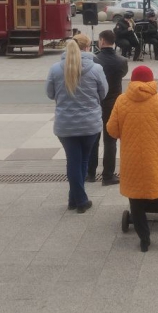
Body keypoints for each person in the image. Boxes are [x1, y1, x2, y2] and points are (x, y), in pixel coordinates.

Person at [107, 66, 158, 251]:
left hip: (132, 158)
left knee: (135, 198)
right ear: (151, 81)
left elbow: (112, 130)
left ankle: (144, 240)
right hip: (157, 156)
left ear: (132, 81)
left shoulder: (121, 100)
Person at [46, 37, 107, 212]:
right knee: (83, 160)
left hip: (65, 124)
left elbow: (49, 93)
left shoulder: (55, 69)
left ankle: (74, 199)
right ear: (87, 47)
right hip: (90, 123)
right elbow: (103, 92)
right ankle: (80, 200)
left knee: (73, 160)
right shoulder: (96, 68)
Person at [92, 30, 128, 185]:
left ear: (101, 41)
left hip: (96, 102)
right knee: (110, 140)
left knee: (93, 139)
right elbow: (122, 75)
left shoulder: (95, 61)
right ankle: (108, 175)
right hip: (113, 104)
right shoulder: (122, 61)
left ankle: (90, 173)